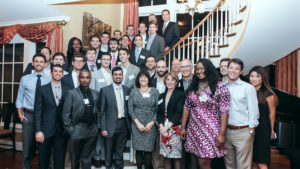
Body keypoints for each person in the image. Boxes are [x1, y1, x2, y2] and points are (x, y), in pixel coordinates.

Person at [180, 59, 230, 169]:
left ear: (209, 69)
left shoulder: (220, 86)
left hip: (211, 131)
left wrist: (222, 134)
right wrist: (183, 127)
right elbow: (186, 107)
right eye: (197, 69)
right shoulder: (193, 86)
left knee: (204, 163)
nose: (199, 71)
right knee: (198, 161)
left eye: (202, 68)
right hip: (194, 130)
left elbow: (224, 111)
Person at [16, 54, 51, 169]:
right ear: (32, 63)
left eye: (41, 61)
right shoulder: (25, 79)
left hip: (44, 118)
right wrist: (20, 114)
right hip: (29, 116)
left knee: (44, 149)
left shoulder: (50, 79)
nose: (39, 63)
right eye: (36, 61)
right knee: (27, 149)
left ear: (45, 64)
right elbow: (20, 98)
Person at [224, 58, 259, 169]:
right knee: (229, 165)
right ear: (227, 69)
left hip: (243, 132)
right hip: (226, 131)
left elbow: (254, 110)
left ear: (241, 71)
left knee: (243, 166)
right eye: (231, 68)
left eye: (236, 69)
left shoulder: (248, 88)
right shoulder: (222, 87)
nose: (233, 71)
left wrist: (251, 130)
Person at [62, 70, 100, 169]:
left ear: (90, 79)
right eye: (82, 77)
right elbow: (65, 114)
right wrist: (71, 130)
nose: (85, 80)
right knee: (75, 158)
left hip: (92, 130)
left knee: (87, 158)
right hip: (77, 128)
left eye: (87, 77)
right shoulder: (71, 93)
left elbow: (99, 112)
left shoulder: (96, 93)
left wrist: (97, 128)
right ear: (79, 79)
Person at [34, 64, 69, 169]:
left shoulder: (69, 90)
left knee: (59, 161)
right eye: (55, 71)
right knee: (43, 161)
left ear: (62, 74)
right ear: (51, 73)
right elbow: (38, 111)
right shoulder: (42, 89)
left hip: (62, 131)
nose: (58, 73)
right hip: (45, 131)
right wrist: (38, 130)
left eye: (60, 71)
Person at [100, 66, 131, 169]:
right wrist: (103, 128)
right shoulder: (104, 90)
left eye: (120, 74)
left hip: (123, 125)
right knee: (108, 152)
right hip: (109, 125)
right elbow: (102, 111)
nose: (118, 76)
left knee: (119, 151)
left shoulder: (127, 90)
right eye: (116, 75)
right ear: (112, 76)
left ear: (122, 76)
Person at [128, 70, 159, 169]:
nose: (143, 78)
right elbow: (130, 109)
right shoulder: (134, 91)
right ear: (138, 79)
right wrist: (137, 124)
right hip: (137, 125)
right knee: (139, 150)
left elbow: (158, 110)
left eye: (145, 77)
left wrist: (151, 123)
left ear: (148, 79)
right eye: (141, 77)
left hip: (150, 125)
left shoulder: (155, 91)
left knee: (148, 150)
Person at [249, 66, 277, 169]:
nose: (254, 78)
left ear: (263, 78)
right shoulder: (248, 91)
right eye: (252, 76)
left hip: (263, 129)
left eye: (257, 76)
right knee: (252, 162)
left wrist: (272, 130)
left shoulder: (268, 94)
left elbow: (272, 113)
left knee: (261, 162)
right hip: (249, 129)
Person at [157, 72, 185, 169]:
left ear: (176, 82)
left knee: (176, 156)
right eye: (168, 79)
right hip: (163, 129)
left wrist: (167, 127)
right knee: (166, 156)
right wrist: (161, 127)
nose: (170, 82)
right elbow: (158, 113)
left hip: (174, 128)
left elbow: (179, 112)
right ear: (165, 81)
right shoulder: (161, 95)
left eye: (172, 80)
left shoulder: (180, 94)